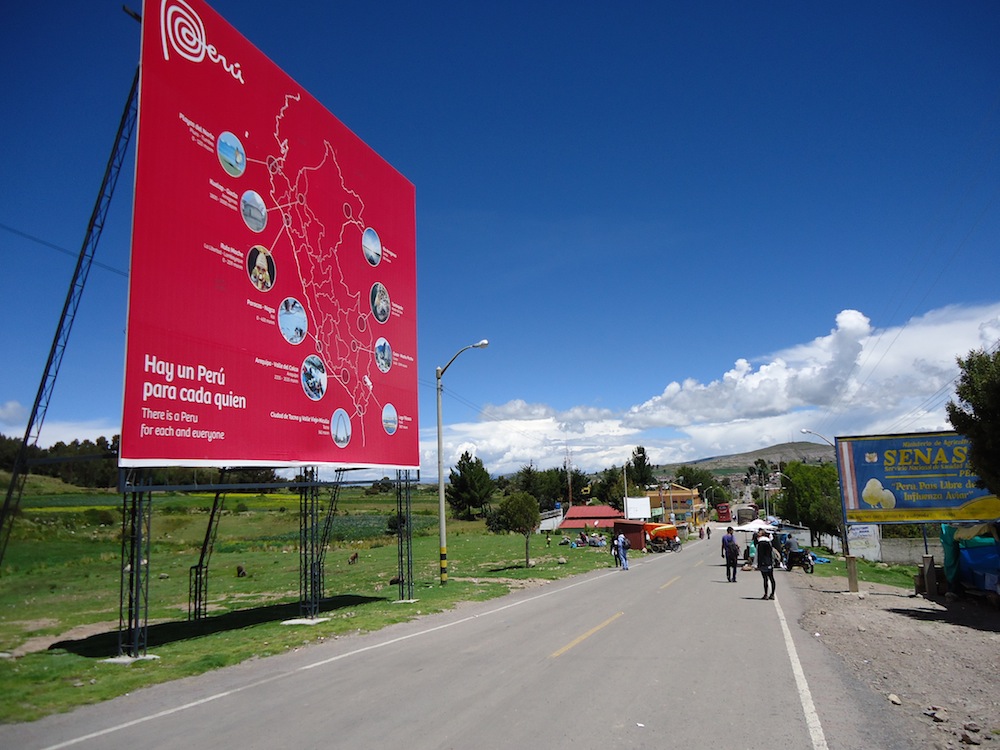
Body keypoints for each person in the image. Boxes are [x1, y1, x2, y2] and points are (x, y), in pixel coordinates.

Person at [753, 532, 776, 599]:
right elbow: (772, 553)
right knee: (771, 578)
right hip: (769, 562)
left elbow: (757, 555)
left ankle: (766, 594)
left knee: (765, 579)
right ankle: (772, 594)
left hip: (762, 563)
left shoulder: (759, 544)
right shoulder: (769, 543)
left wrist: (755, 564)